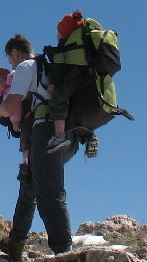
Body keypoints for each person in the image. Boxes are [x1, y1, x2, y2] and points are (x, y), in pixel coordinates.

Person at [0, 34, 78, 262]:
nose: (11, 65)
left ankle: (64, 254)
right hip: (69, 132)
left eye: (10, 61)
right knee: (29, 185)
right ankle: (15, 244)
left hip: (46, 129)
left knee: (49, 192)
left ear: (16, 54)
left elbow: (10, 106)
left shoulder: (26, 67)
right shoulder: (49, 67)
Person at [45, 10, 97, 154]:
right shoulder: (84, 45)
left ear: (63, 33)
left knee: (57, 102)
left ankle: (59, 136)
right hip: (88, 80)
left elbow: (59, 66)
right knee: (78, 110)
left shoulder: (65, 46)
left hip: (74, 78)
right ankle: (90, 137)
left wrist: (53, 84)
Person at [0, 67, 31, 182]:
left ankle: (25, 166)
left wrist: (15, 122)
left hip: (24, 121)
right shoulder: (5, 93)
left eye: (0, 81)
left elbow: (15, 108)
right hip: (25, 120)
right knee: (25, 145)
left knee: (25, 145)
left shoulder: (9, 91)